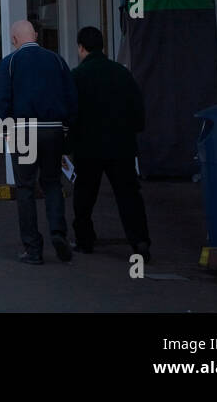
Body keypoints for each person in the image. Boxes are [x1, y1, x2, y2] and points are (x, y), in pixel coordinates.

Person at [0, 18, 77, 265]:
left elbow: (2, 101)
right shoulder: (56, 60)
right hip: (53, 131)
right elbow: (71, 98)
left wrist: (7, 130)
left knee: (25, 187)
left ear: (14, 39)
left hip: (23, 131)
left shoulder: (9, 63)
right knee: (52, 183)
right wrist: (65, 128)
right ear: (36, 36)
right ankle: (58, 233)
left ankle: (33, 248)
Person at [69, 26, 151, 261]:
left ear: (81, 47)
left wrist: (70, 143)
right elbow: (137, 109)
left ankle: (85, 241)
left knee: (84, 196)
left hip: (88, 148)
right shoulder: (121, 73)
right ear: (102, 46)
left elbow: (71, 113)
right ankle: (140, 240)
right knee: (128, 195)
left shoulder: (77, 76)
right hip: (121, 146)